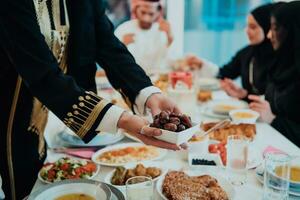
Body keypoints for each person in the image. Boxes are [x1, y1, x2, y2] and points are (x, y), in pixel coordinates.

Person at [0, 0, 182, 199]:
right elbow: (40, 71)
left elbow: (106, 43)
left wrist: (148, 93)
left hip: (43, 114)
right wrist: (122, 120)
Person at [249, 1, 300, 147]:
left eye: (275, 28)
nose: (269, 35)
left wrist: (274, 119)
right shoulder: (283, 63)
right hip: (272, 148)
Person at [217, 3, 277, 100]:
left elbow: (279, 102)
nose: (247, 31)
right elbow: (223, 73)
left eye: (253, 27)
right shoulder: (247, 52)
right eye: (247, 26)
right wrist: (244, 95)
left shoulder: (281, 58)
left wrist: (245, 96)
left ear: (268, 28)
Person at [114, 0, 173, 74]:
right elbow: (112, 61)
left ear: (158, 13)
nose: (146, 18)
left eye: (151, 14)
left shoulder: (164, 30)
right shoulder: (123, 29)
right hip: (131, 78)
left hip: (158, 79)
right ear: (135, 10)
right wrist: (122, 45)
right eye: (143, 12)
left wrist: (170, 38)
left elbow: (169, 61)